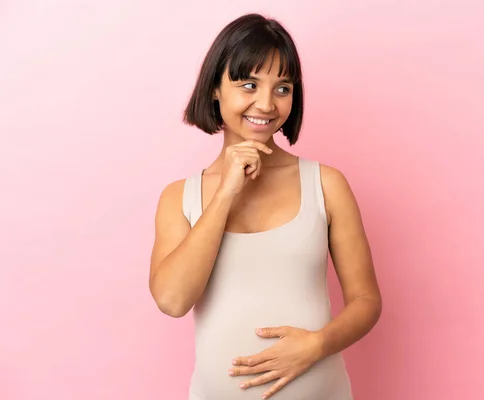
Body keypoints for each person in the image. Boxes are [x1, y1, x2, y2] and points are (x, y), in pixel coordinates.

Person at [149, 13, 382, 400]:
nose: (266, 103)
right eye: (249, 84)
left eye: (282, 88)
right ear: (214, 90)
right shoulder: (180, 198)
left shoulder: (326, 185)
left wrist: (317, 345)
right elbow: (172, 300)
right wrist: (226, 192)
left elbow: (366, 300)